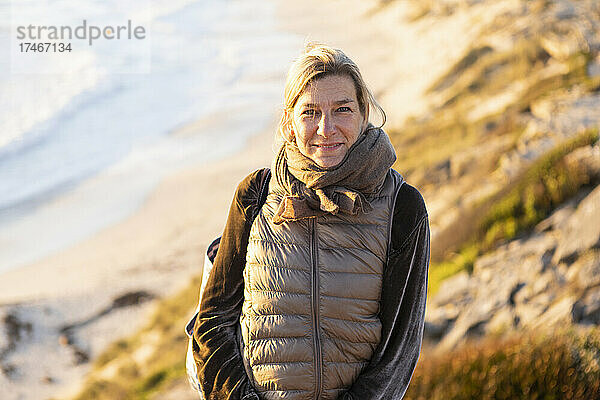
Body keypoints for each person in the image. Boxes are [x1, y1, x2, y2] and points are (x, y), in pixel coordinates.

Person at [191, 44, 429, 400]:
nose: (326, 128)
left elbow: (399, 351)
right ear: (289, 122)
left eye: (342, 110)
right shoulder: (254, 196)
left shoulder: (403, 207)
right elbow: (211, 323)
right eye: (310, 112)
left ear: (364, 114)